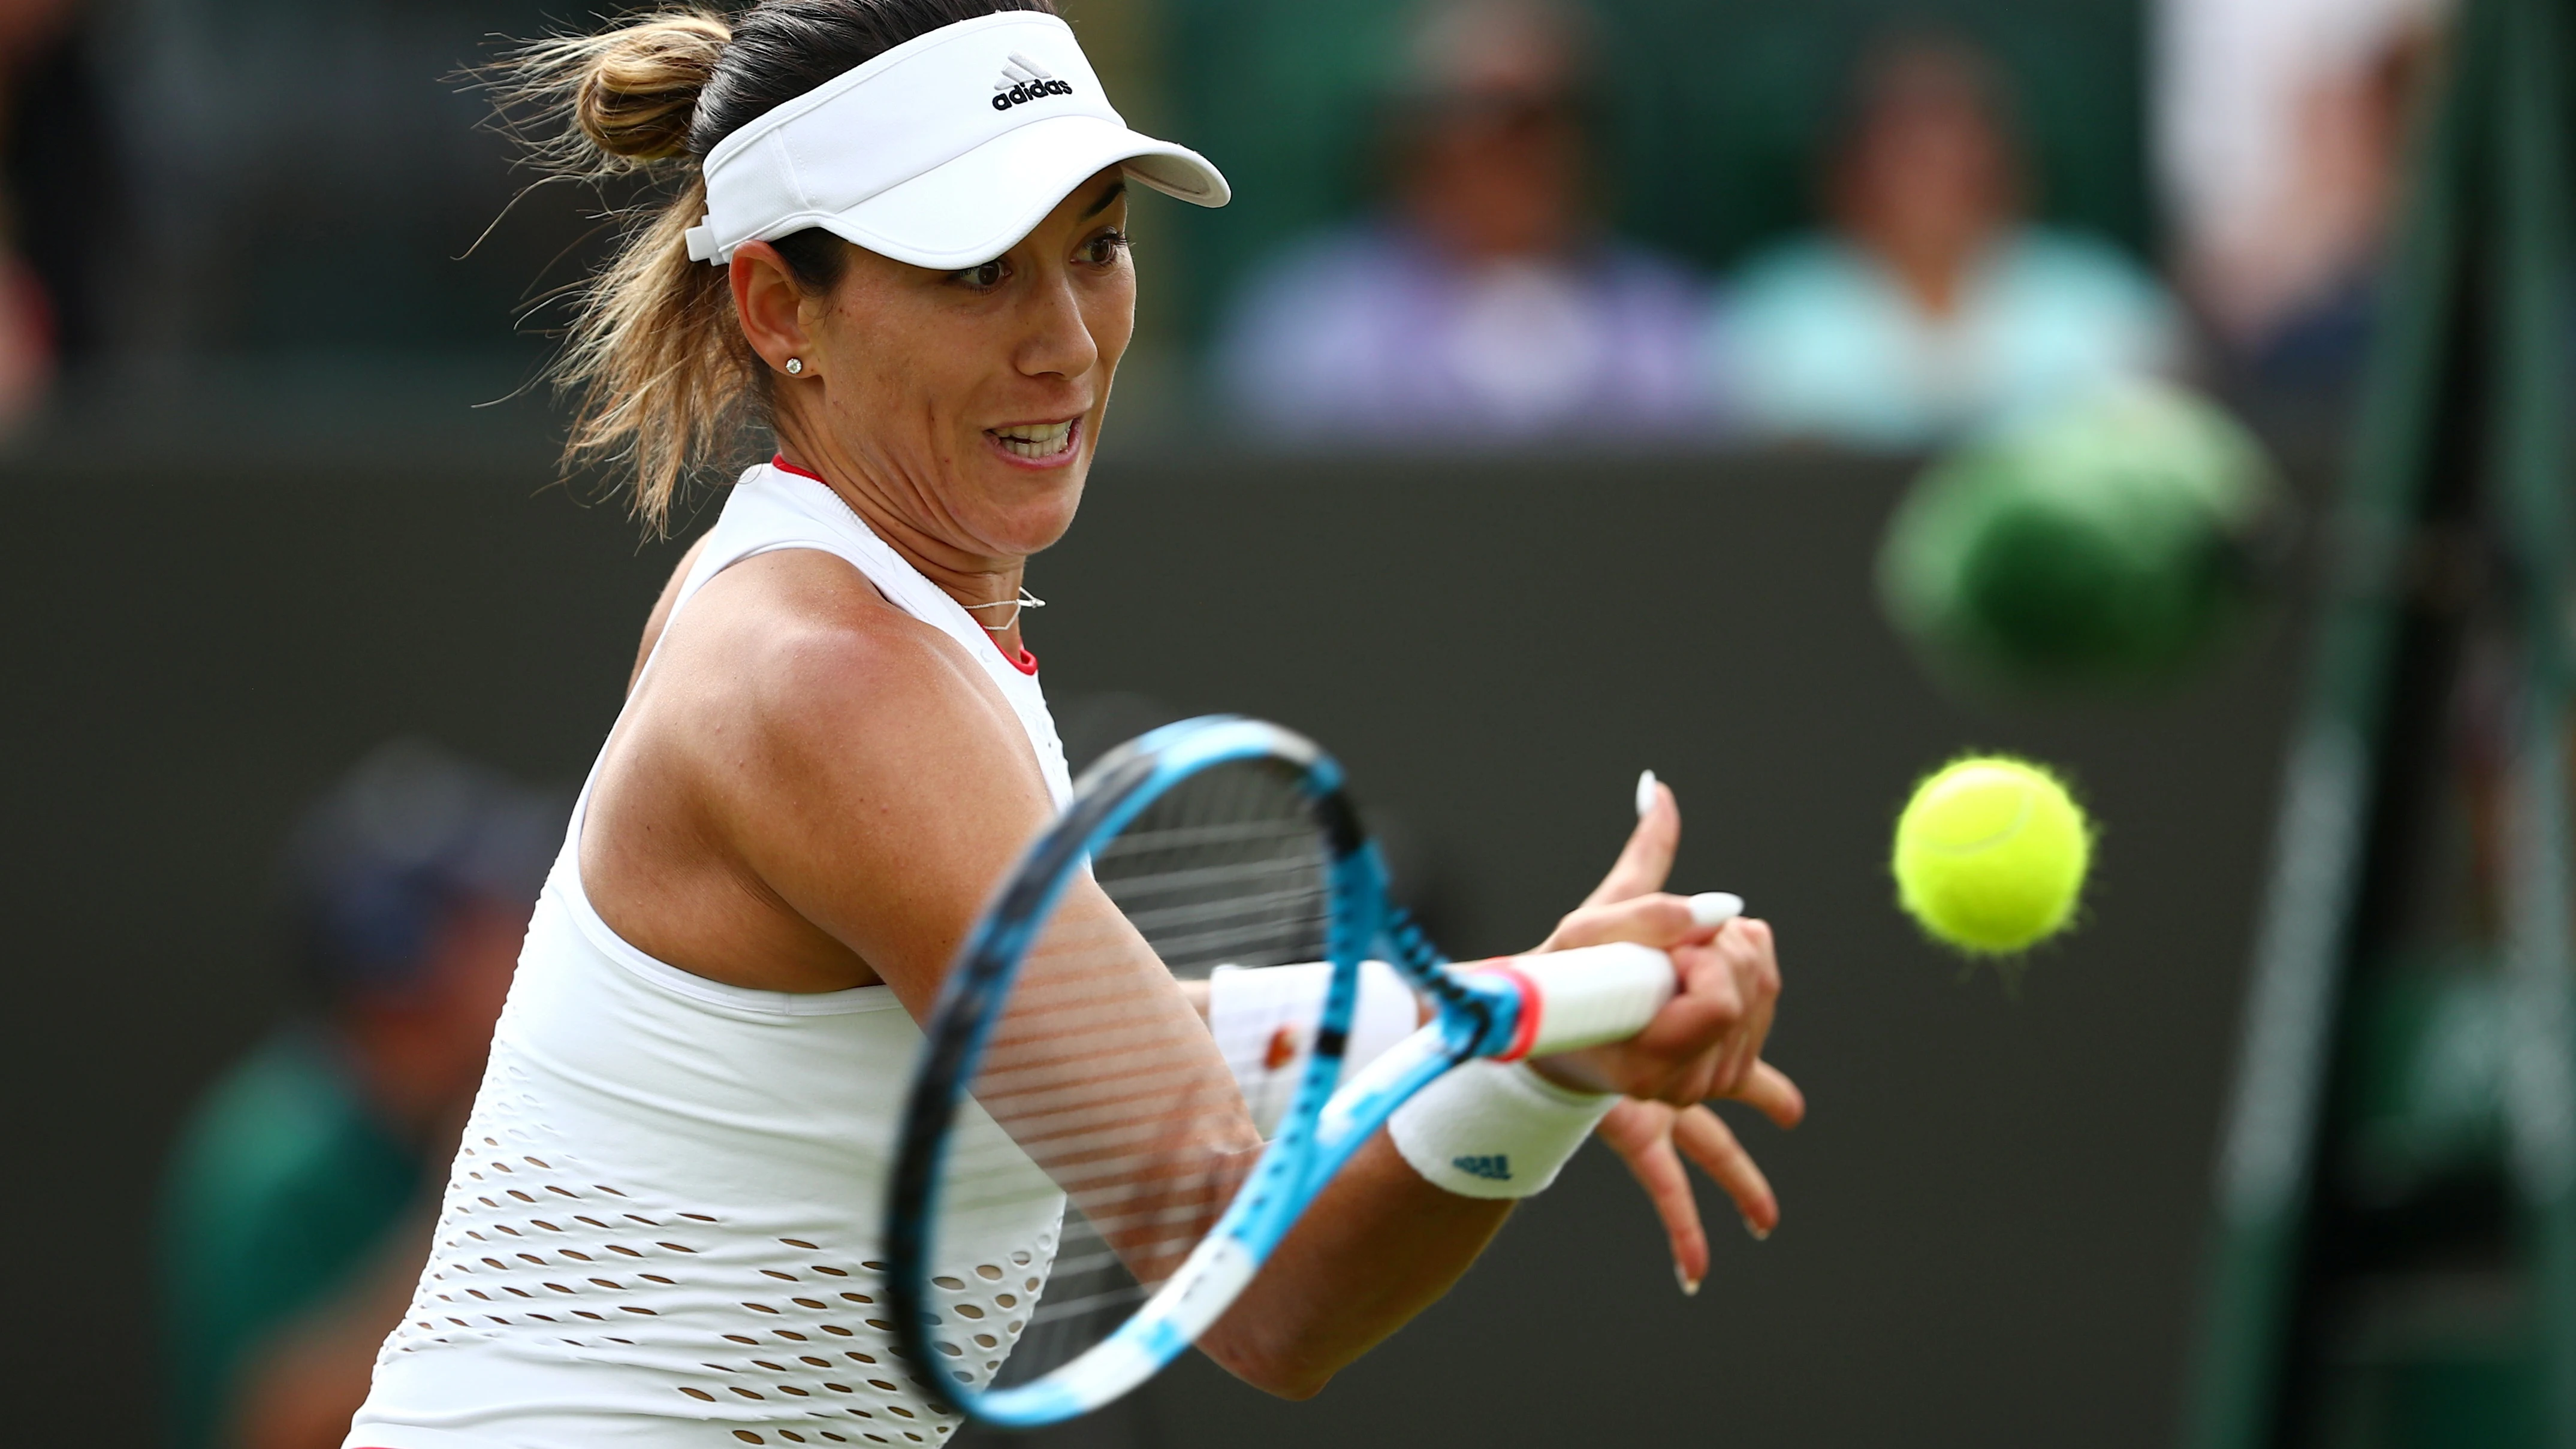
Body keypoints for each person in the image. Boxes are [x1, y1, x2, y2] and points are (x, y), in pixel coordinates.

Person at [342, 4, 1801, 1445]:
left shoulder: (826, 598)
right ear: (782, 308)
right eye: (977, 268)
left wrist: (1518, 1003)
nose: (1063, 341)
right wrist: (1538, 1075)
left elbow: (1121, 1032)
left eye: (1095, 245)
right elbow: (1273, 1299)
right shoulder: (825, 677)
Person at [159, 741, 559, 1449]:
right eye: (492, 915)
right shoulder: (273, 1163)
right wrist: (473, 1216)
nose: (527, 926)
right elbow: (271, 1426)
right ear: (402, 961)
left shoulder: (484, 1099)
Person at [1211, 0, 1713, 446]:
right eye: (1489, 114)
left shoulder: (1668, 326)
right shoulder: (1313, 324)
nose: (1521, 149)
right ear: (1412, 138)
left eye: (1556, 115)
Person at [1717, 34, 2183, 451]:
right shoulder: (1776, 314)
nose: (1935, 166)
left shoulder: (2104, 304)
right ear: (1848, 169)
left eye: (1959, 140)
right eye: (1906, 144)